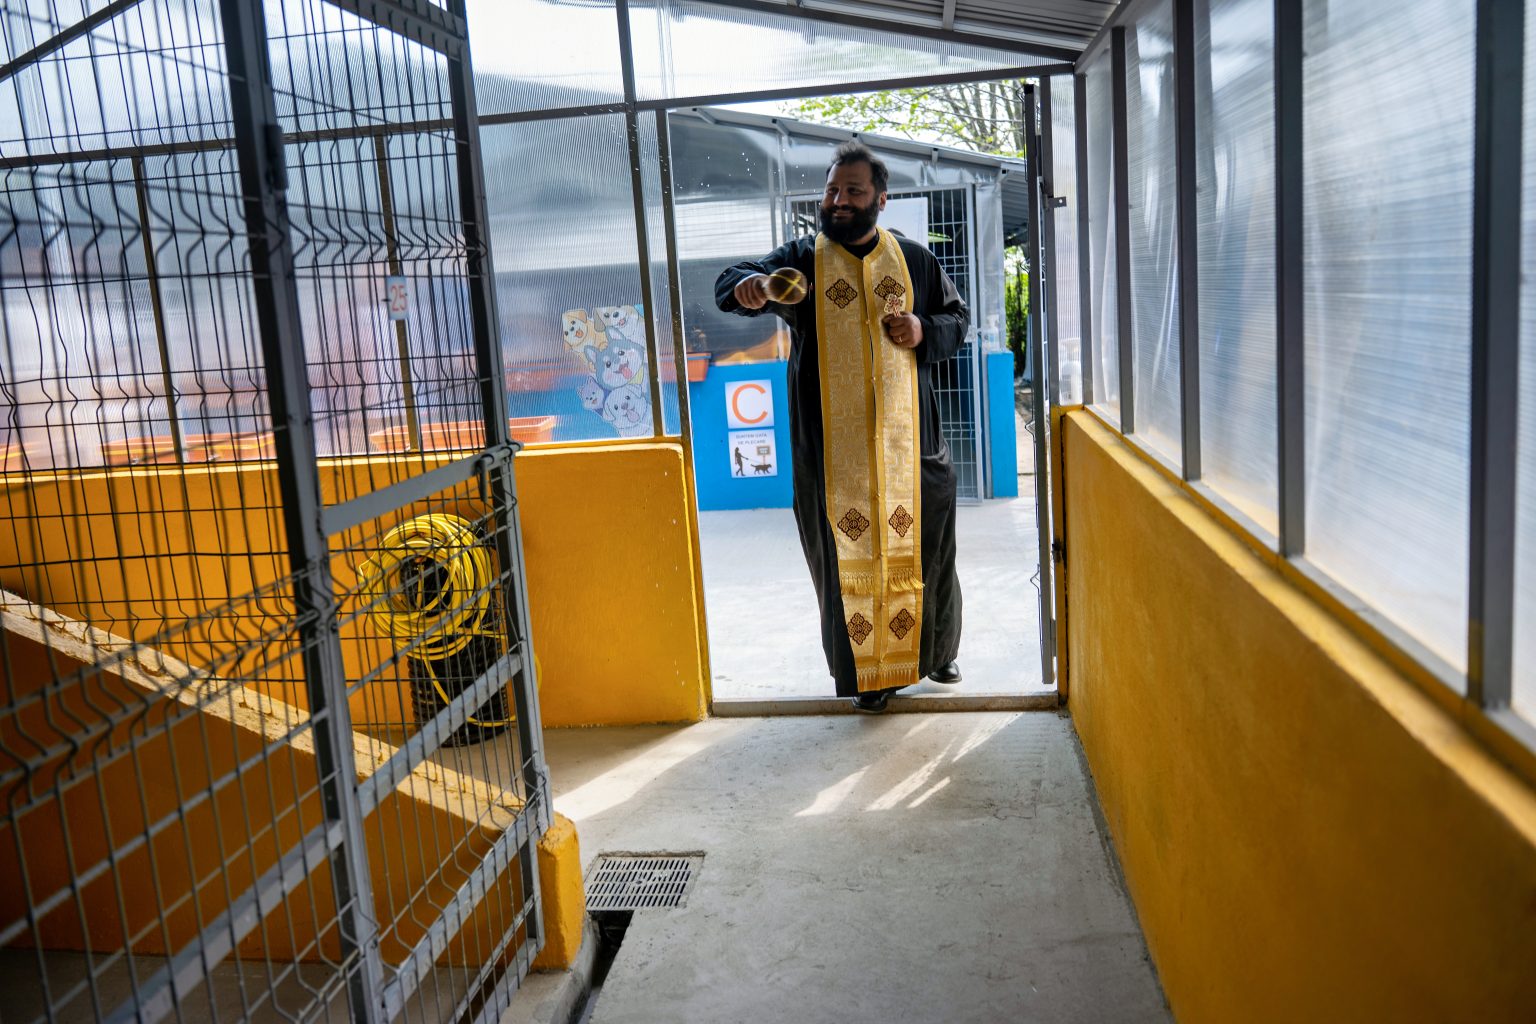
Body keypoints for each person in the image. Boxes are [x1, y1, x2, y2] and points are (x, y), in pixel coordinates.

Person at [715, 141, 967, 714]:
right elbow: (734, 280)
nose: (839, 200)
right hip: (832, 457)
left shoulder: (914, 260)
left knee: (928, 555)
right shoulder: (802, 261)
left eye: (853, 190)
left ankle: (936, 652)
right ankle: (869, 677)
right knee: (845, 564)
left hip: (912, 451)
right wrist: (749, 287)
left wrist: (923, 330)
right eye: (832, 190)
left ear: (881, 198)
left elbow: (957, 318)